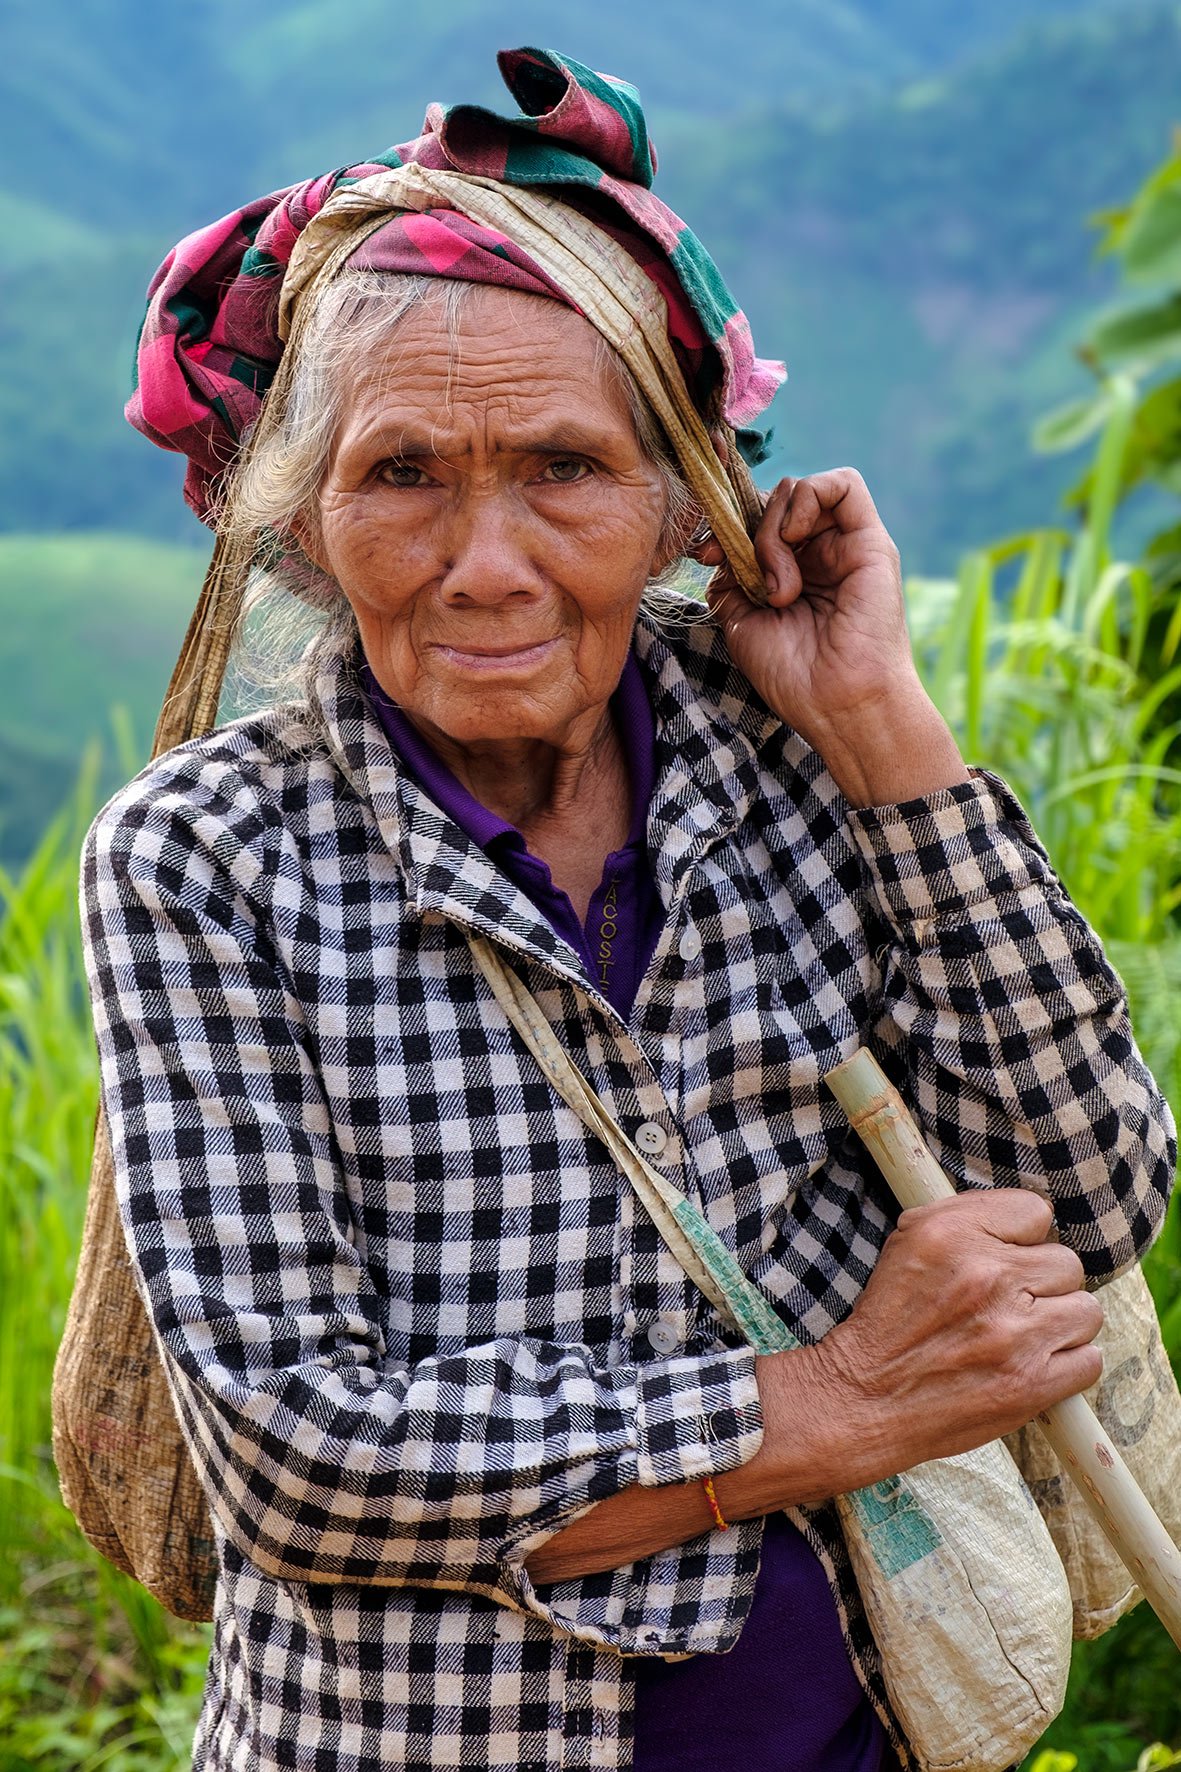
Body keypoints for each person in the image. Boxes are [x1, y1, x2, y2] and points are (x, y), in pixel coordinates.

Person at [83, 46, 1175, 1772]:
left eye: (566, 469)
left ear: (685, 499)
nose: (488, 562)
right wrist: (835, 1401)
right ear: (295, 523)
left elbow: (1093, 1208)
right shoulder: (214, 855)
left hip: (854, 1731)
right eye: (402, 475)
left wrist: (883, 729)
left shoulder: (796, 757)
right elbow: (297, 1455)